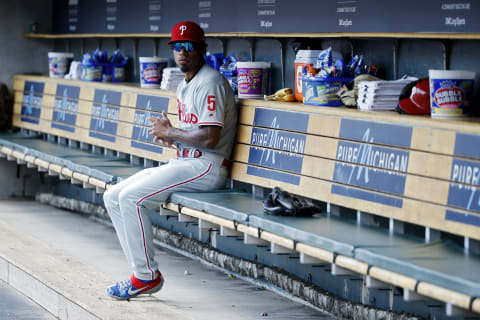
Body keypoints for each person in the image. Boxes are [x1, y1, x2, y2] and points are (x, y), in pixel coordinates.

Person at [103, 21, 237, 300]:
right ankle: (139, 273)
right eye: (177, 47)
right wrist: (173, 137)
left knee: (131, 198)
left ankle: (145, 277)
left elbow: (211, 138)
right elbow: (194, 133)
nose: (182, 52)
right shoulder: (187, 84)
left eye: (189, 47)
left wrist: (172, 132)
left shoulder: (209, 82)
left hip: (207, 167)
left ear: (202, 49)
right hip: (187, 162)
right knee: (113, 195)